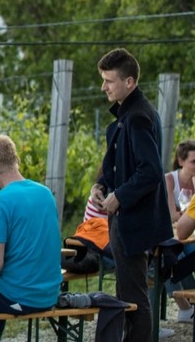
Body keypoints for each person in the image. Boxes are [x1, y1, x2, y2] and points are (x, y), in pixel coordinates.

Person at [91, 48, 173, 342]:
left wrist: (119, 197)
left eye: (109, 81)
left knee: (134, 298)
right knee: (128, 294)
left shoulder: (138, 116)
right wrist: (100, 185)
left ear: (129, 82)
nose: (103, 87)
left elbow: (150, 171)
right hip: (128, 219)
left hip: (135, 222)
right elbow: (118, 158)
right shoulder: (129, 113)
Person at [0, 135, 61, 342]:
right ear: (14, 159)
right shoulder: (45, 194)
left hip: (20, 297)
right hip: (49, 293)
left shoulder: (0, 201)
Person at [165, 140, 195, 323]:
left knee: (168, 257)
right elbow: (172, 216)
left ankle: (186, 306)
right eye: (194, 161)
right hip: (180, 235)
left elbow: (182, 225)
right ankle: (186, 307)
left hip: (183, 235)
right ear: (181, 161)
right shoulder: (170, 179)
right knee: (173, 254)